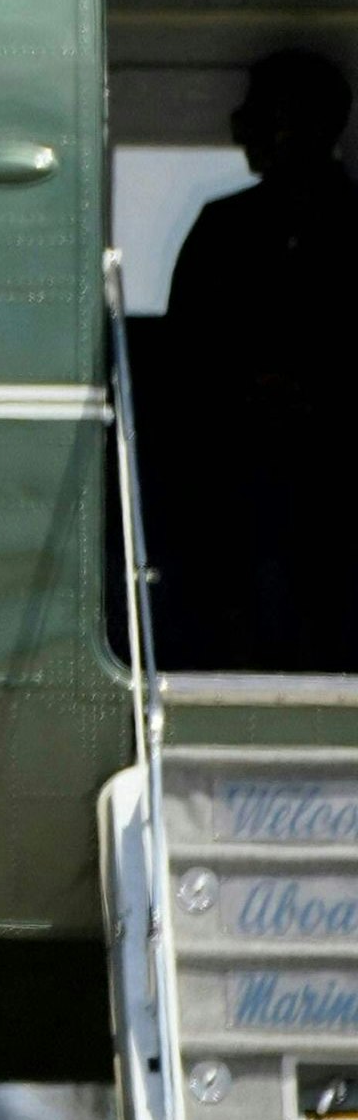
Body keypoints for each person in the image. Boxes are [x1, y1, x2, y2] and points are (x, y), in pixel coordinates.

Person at [164, 47, 358, 670]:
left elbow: (183, 365)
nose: (239, 128)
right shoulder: (225, 229)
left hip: (259, 479)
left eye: (256, 113)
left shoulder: (223, 230)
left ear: (291, 125)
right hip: (265, 475)